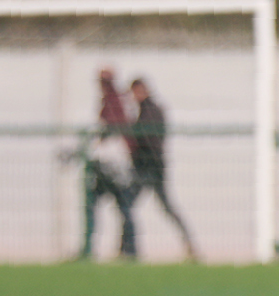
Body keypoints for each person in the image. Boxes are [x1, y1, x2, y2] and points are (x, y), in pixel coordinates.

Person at [127, 77, 198, 261]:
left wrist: (134, 138)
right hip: (147, 167)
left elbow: (150, 139)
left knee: (130, 205)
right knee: (128, 205)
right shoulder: (144, 110)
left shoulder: (151, 111)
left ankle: (128, 249)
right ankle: (126, 248)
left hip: (151, 167)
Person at [80, 66, 137, 260]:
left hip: (114, 165)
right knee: (103, 205)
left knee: (124, 207)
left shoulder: (114, 101)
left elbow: (114, 128)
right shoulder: (111, 100)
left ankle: (129, 250)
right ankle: (89, 248)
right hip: (108, 164)